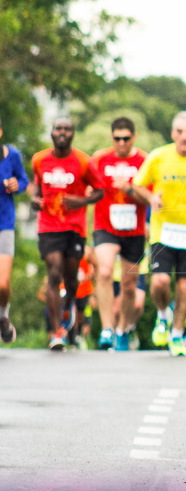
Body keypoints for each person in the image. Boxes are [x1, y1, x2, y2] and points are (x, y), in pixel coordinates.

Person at [130, 111, 186, 358]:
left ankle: (177, 335)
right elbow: (136, 184)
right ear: (173, 133)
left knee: (184, 287)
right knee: (160, 281)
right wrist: (150, 197)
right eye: (180, 132)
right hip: (163, 232)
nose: (184, 137)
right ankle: (162, 316)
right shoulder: (159, 156)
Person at [30, 117, 103, 351]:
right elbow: (37, 191)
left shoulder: (84, 161)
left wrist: (81, 200)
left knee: (71, 279)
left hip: (75, 227)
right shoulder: (39, 160)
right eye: (58, 128)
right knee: (53, 272)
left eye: (67, 129)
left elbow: (100, 192)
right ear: (51, 133)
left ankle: (68, 304)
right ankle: (56, 332)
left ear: (73, 134)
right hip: (49, 226)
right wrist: (35, 202)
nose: (62, 132)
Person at [90, 117, 148, 351]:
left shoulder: (144, 160)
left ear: (133, 137)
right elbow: (90, 188)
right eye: (117, 138)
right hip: (106, 225)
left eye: (126, 138)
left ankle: (123, 328)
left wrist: (129, 189)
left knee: (129, 286)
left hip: (134, 229)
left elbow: (151, 198)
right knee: (104, 270)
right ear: (112, 137)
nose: (121, 142)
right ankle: (107, 329)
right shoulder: (100, 158)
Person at [0, 117, 29, 344]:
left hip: (4, 225)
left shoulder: (12, 155)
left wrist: (17, 185)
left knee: (2, 283)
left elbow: (24, 180)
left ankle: (2, 316)